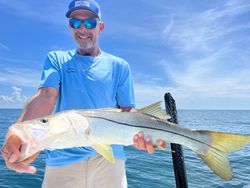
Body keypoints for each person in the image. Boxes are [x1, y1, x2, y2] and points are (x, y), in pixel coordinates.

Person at [1, 0, 166, 187]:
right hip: (61, 160)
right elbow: (46, 95)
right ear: (69, 27)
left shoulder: (119, 66)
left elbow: (127, 110)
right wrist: (18, 133)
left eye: (89, 23)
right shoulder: (57, 59)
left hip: (109, 159)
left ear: (100, 27)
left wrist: (151, 129)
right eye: (75, 22)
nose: (82, 29)